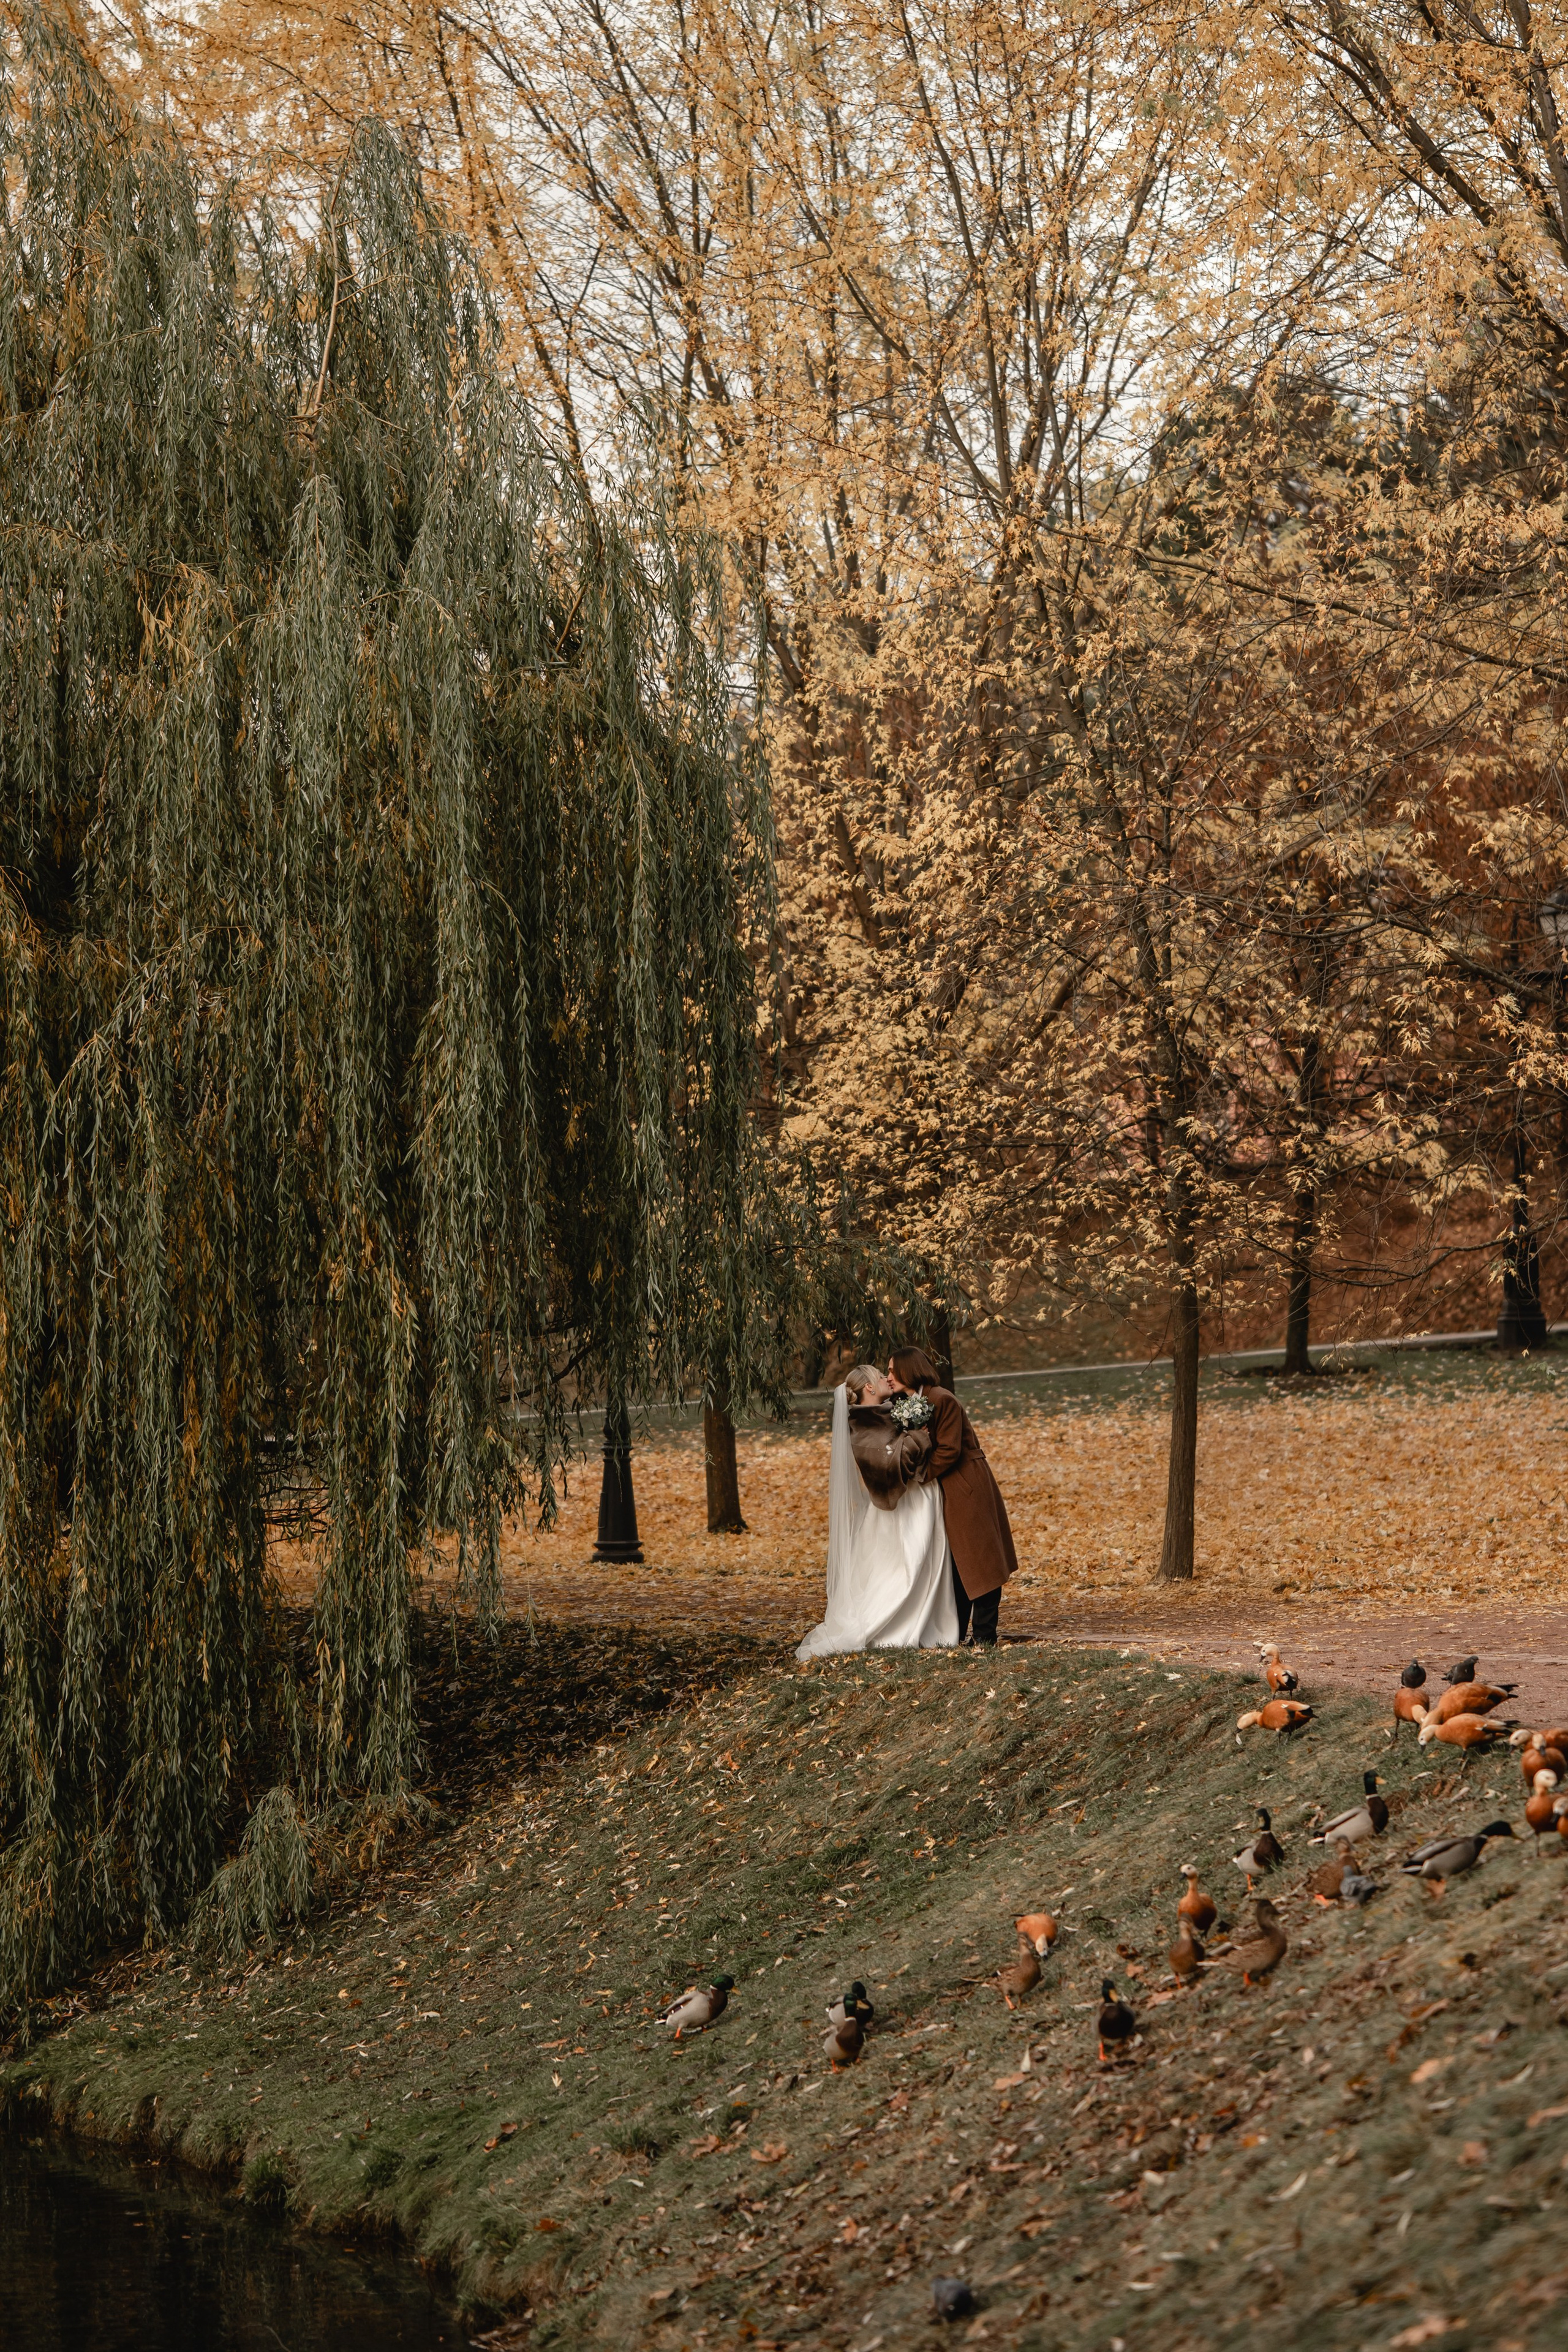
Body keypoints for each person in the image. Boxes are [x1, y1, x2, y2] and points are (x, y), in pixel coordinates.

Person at [794, 1365, 959, 1659]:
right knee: (905, 1565)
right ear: (869, 1388)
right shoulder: (864, 1425)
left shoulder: (885, 1412)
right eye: (880, 1376)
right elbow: (891, 1465)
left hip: (916, 1501)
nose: (887, 1378)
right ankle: (895, 1628)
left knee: (922, 1562)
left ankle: (925, 1624)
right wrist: (919, 1436)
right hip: (899, 1509)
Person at [888, 1346, 1017, 1645]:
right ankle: (955, 1633)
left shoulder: (941, 1399)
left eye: (893, 1370)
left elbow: (949, 1450)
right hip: (945, 1487)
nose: (889, 1376)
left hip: (965, 1483)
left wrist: (917, 1475)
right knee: (956, 1563)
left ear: (909, 1370)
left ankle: (985, 1636)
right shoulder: (914, 1401)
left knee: (980, 1560)